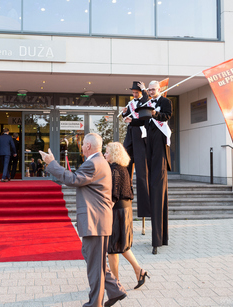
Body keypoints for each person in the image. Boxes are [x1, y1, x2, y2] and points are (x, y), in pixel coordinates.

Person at [40, 133, 127, 307]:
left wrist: (52, 163)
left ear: (88, 146)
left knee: (95, 265)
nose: (81, 147)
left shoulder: (93, 164)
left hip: (95, 221)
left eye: (82, 145)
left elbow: (72, 179)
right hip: (98, 220)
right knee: (93, 258)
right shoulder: (99, 162)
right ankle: (115, 290)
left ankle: (95, 304)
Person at [104, 142, 149, 290]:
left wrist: (105, 211)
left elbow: (113, 194)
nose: (105, 155)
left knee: (112, 247)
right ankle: (138, 270)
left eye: (107, 152)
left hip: (117, 211)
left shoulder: (114, 170)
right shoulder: (123, 169)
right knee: (120, 246)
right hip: (125, 210)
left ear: (114, 154)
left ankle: (115, 284)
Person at [146, 80, 172, 255]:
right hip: (148, 144)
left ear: (159, 89)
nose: (151, 91)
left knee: (158, 191)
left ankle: (159, 238)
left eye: (153, 89)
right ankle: (161, 237)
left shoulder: (165, 102)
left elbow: (167, 116)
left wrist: (155, 114)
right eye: (149, 89)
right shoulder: (145, 102)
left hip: (160, 146)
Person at [122, 81, 151, 233]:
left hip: (140, 135)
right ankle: (125, 197)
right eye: (133, 91)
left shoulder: (145, 101)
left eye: (136, 91)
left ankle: (145, 211)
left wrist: (145, 90)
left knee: (141, 174)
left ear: (141, 91)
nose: (134, 94)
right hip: (130, 136)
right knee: (124, 168)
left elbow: (144, 116)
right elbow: (125, 116)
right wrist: (124, 112)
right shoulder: (131, 103)